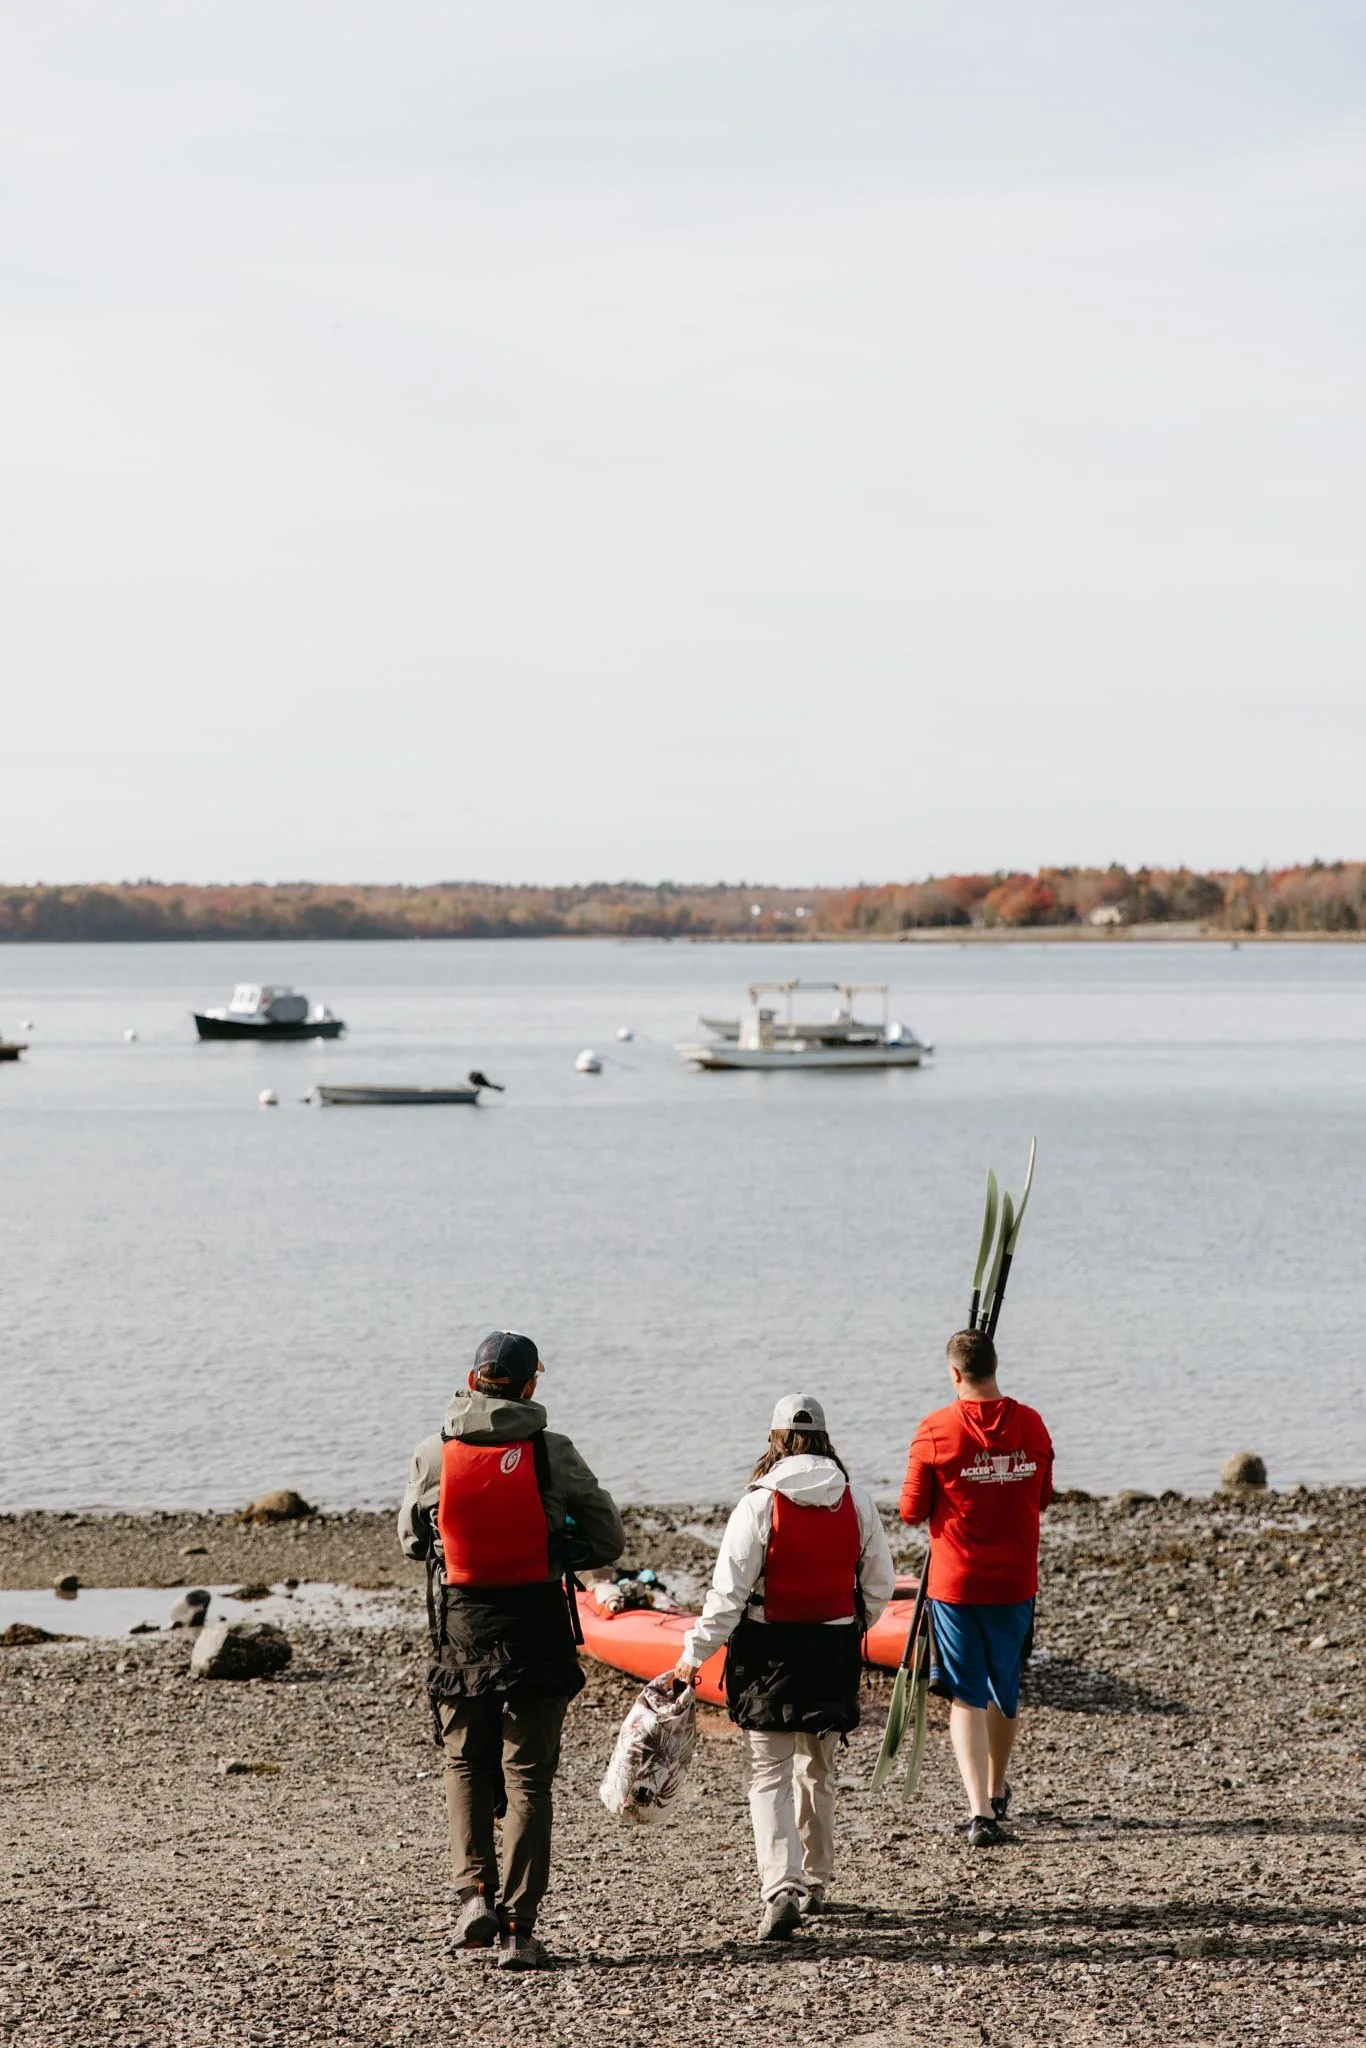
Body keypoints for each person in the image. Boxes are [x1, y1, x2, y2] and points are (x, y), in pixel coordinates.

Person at [398, 1329, 624, 1968]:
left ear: (473, 1381)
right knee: (528, 1777)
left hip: (462, 1629)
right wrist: (559, 1546)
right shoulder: (552, 1452)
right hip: (537, 1628)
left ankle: (474, 1898)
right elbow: (608, 1539)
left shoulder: (434, 1452)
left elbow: (412, 1541)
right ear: (530, 1386)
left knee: (466, 1765)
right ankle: (520, 1929)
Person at [673, 1393, 895, 1941]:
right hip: (833, 1651)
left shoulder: (758, 1505)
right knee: (818, 1769)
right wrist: (851, 1624)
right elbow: (879, 1585)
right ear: (825, 1438)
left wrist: (692, 1655)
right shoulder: (857, 1502)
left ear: (776, 1440)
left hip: (767, 1654)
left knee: (769, 1772)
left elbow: (727, 1597)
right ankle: (815, 1880)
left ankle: (781, 1888)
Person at [899, 1328, 1054, 1847]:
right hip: (1015, 1582)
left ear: (954, 1374)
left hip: (956, 1585)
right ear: (995, 1366)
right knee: (1004, 1687)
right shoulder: (1032, 1424)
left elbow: (911, 1510)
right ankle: (996, 1786)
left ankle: (980, 1811)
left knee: (966, 1693)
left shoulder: (935, 1428)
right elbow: (1043, 1497)